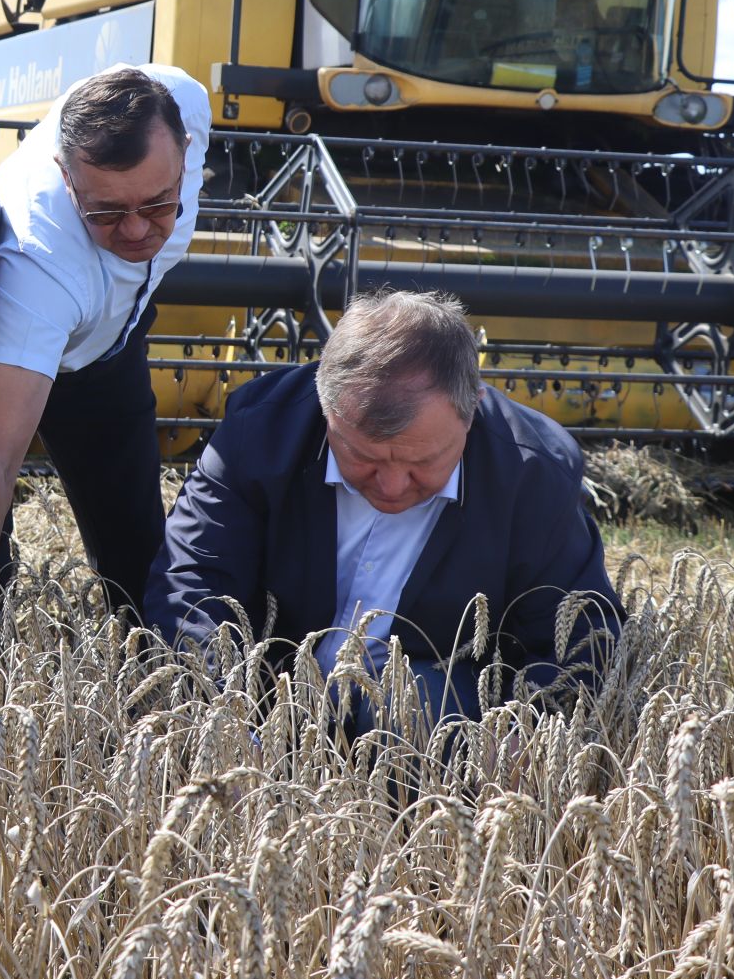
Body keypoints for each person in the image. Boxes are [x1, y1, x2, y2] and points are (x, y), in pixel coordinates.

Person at [143, 291, 624, 722]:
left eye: (422, 462)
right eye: (363, 457)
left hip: (432, 713)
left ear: (472, 407)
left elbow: (581, 638)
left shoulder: (533, 474)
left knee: (410, 710)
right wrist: (224, 713)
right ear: (325, 406)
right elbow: (193, 583)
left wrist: (526, 733)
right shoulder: (259, 431)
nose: (393, 486)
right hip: (270, 688)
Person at [0, 63, 211, 690]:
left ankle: (168, 718)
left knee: (139, 556)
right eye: (104, 213)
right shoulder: (39, 259)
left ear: (185, 151)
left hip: (108, 345)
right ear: (65, 175)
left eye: (159, 204)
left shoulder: (183, 101)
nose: (135, 230)